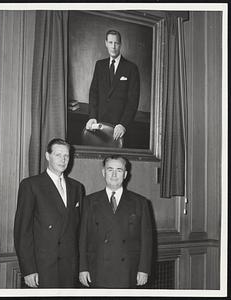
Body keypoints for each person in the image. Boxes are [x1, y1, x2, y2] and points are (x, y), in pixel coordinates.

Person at [14, 138, 85, 288]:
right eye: (58, 155)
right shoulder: (31, 185)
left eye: (66, 156)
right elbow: (22, 231)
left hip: (69, 267)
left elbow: (79, 231)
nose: (63, 159)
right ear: (47, 156)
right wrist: (28, 270)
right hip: (42, 268)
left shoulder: (77, 187)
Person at [79, 155, 153, 288]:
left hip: (128, 270)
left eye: (119, 170)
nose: (114, 174)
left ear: (125, 174)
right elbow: (83, 238)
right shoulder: (89, 201)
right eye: (110, 170)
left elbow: (146, 240)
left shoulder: (140, 203)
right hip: (97, 268)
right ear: (103, 172)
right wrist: (82, 268)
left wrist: (144, 269)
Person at [86, 29, 140, 142]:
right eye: (110, 43)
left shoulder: (131, 68)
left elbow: (133, 101)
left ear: (120, 44)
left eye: (116, 43)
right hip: (99, 125)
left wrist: (123, 124)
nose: (113, 46)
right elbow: (93, 93)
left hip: (119, 128)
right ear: (106, 43)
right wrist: (92, 117)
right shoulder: (99, 65)